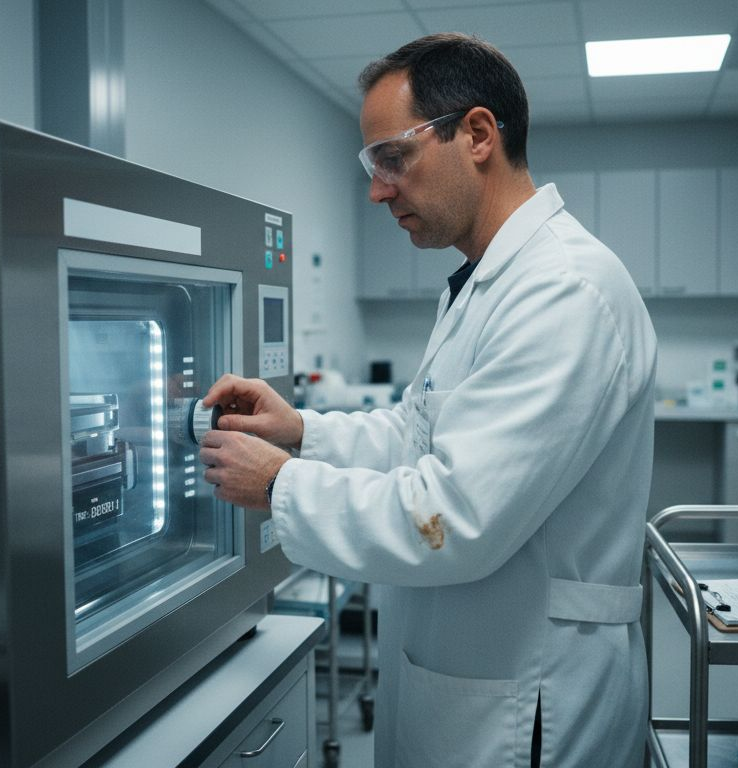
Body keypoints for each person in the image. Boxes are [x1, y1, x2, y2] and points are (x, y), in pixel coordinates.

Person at [199, 33, 657, 768]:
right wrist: (300, 433)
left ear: (477, 134)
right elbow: (420, 437)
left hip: (530, 701)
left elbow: (456, 515)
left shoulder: (563, 291)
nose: (378, 189)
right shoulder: (488, 283)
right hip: (471, 678)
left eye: (392, 158)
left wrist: (280, 486)